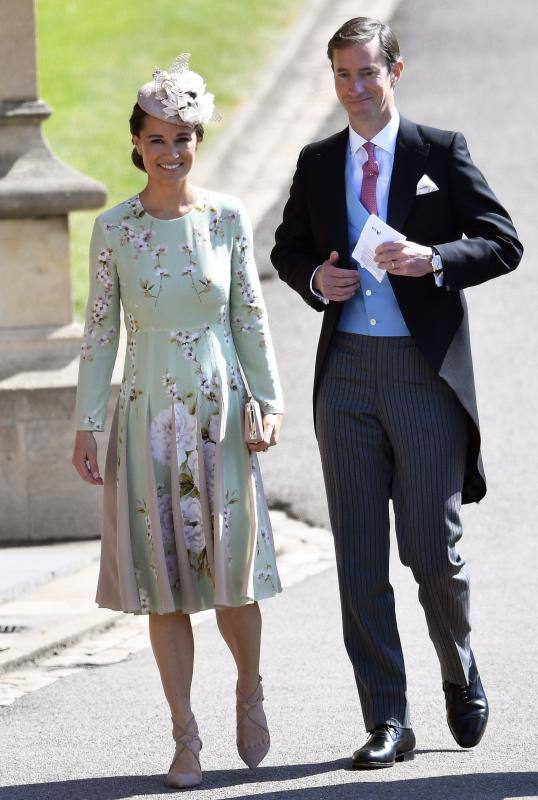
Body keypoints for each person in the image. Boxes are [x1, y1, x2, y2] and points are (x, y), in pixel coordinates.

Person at [271, 17, 522, 769]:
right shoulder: (319, 161)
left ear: (395, 72)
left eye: (367, 74)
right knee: (359, 558)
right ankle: (388, 718)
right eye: (342, 76)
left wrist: (432, 258)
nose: (355, 90)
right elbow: (285, 246)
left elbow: (503, 240)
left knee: (430, 552)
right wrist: (316, 279)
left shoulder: (438, 152)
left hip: (423, 377)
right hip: (344, 374)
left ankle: (460, 662)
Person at [72, 55, 284, 788]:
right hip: (145, 413)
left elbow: (248, 315)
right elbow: (101, 332)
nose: (171, 153)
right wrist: (86, 422)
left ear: (199, 141)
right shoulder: (114, 230)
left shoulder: (226, 218)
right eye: (157, 139)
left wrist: (269, 399)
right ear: (136, 143)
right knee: (165, 583)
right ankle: (184, 737)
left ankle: (249, 688)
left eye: (184, 138)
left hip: (221, 411)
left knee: (233, 575)